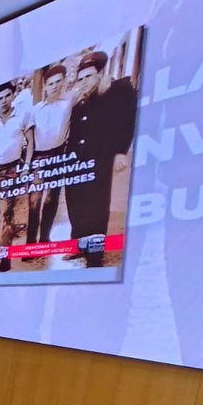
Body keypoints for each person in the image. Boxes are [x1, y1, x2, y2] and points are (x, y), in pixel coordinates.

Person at [64, 51, 138, 268]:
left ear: (99, 75)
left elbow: (127, 122)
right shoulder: (80, 103)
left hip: (99, 159)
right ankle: (78, 246)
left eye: (88, 77)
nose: (84, 82)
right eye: (81, 79)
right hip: (76, 161)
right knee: (75, 205)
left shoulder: (117, 91)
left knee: (96, 206)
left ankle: (95, 257)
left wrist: (121, 152)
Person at [0, 81, 35, 272]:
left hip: (10, 170)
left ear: (13, 96)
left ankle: (5, 258)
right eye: (0, 98)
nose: (4, 101)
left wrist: (26, 166)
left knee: (5, 215)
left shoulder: (22, 116)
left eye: (7, 96)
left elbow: (31, 142)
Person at [25, 64, 73, 250]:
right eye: (51, 83)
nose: (55, 86)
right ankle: (30, 245)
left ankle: (44, 239)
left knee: (52, 199)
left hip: (58, 155)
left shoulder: (68, 104)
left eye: (58, 82)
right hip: (38, 158)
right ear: (45, 86)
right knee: (34, 201)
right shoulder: (36, 110)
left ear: (63, 82)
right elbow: (27, 137)